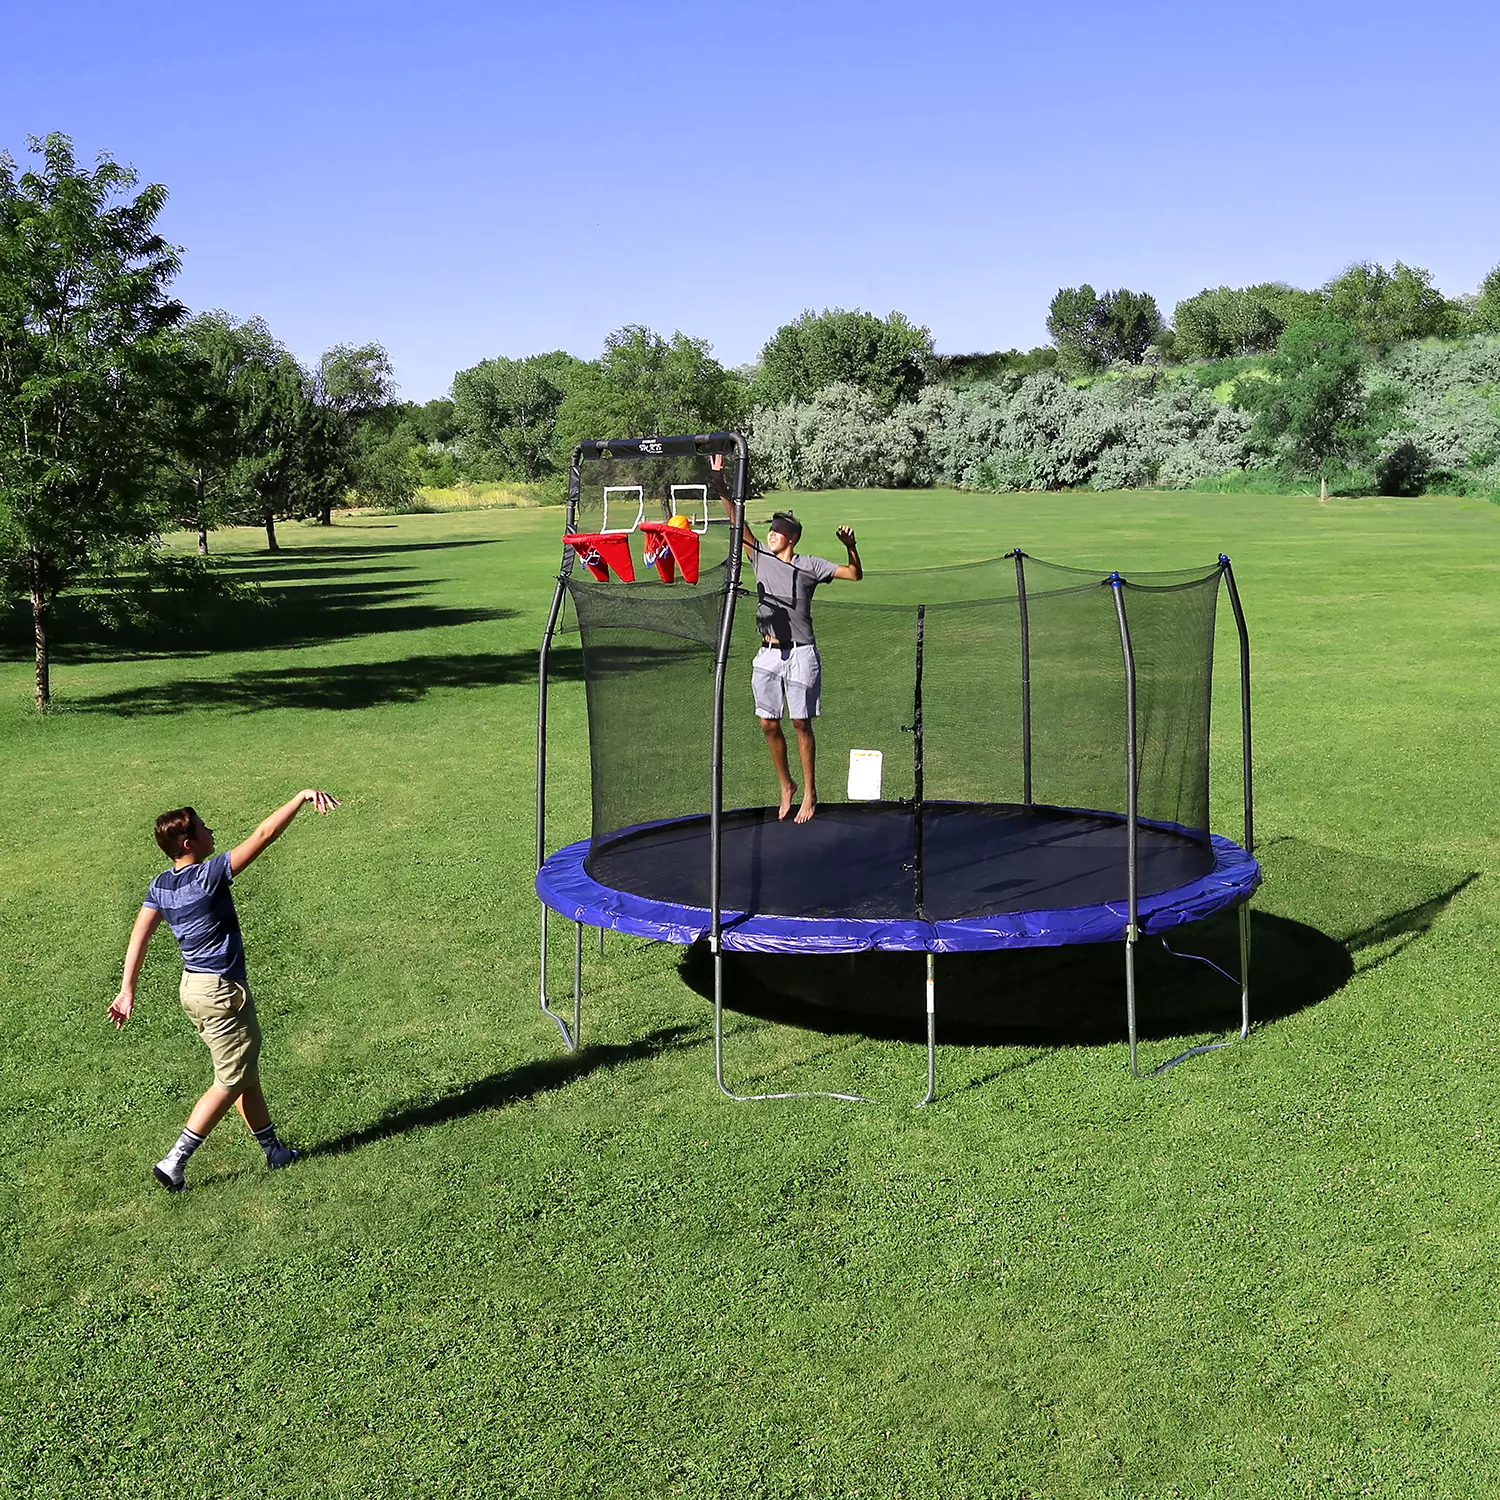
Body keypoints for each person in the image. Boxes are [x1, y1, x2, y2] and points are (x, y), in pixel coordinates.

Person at [109, 789, 341, 1192]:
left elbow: (139, 936)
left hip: (193, 990)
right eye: (204, 828)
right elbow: (264, 835)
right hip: (222, 992)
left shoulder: (160, 886)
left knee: (243, 1072)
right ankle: (174, 1161)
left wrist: (127, 989)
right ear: (188, 843)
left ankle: (274, 1152)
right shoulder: (209, 875)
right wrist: (300, 798)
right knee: (230, 1079)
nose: (211, 831)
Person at [711, 453, 862, 823]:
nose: (771, 534)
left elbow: (854, 574)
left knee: (801, 723)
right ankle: (786, 784)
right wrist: (719, 482)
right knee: (768, 722)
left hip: (801, 653)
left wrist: (850, 545)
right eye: (771, 529)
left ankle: (810, 792)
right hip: (767, 653)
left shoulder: (810, 565)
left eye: (778, 530)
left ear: (791, 537)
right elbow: (737, 520)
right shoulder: (759, 556)